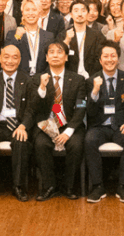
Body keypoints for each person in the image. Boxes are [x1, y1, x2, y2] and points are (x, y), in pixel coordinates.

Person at [28, 42, 88, 201]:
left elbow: (81, 108)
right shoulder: (36, 79)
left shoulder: (78, 80)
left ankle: (68, 186)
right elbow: (33, 107)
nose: (55, 55)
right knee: (41, 145)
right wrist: (42, 88)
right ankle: (49, 186)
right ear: (46, 58)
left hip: (70, 125)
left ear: (66, 57)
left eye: (59, 52)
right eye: (51, 52)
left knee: (76, 145)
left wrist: (68, 132)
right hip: (46, 125)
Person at [84, 40, 124, 203]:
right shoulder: (91, 81)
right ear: (100, 60)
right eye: (105, 56)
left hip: (121, 125)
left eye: (113, 56)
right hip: (99, 125)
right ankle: (98, 186)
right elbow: (89, 112)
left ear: (118, 59)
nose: (109, 59)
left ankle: (123, 186)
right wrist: (95, 91)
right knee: (89, 141)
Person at [0, 45, 34, 202]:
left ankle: (19, 186)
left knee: (21, 141)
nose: (10, 61)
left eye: (14, 57)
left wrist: (23, 126)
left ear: (20, 60)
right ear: (0, 59)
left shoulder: (27, 81)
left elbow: (31, 110)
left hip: (18, 125)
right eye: (6, 57)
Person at [5, 0, 53, 76]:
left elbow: (51, 61)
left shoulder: (49, 36)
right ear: (22, 13)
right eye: (27, 10)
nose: (30, 13)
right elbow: (7, 56)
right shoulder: (12, 34)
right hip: (19, 78)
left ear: (39, 13)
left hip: (41, 78)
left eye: (34, 10)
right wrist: (17, 37)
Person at [63, 0, 104, 79]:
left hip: (91, 78)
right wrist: (67, 41)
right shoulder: (63, 35)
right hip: (69, 79)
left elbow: (100, 58)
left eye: (83, 10)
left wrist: (92, 76)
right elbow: (59, 58)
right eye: (76, 11)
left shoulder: (97, 36)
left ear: (87, 13)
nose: (80, 14)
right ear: (71, 14)